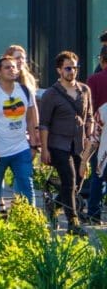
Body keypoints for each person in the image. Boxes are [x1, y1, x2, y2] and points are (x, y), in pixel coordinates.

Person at [0, 55, 40, 214]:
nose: (12, 70)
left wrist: (34, 144)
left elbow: (31, 118)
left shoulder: (24, 91)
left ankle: (29, 218)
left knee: (26, 181)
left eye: (14, 67)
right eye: (7, 67)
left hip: (20, 147)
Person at [40, 50, 95, 232]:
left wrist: (89, 132)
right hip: (58, 144)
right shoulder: (51, 94)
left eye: (75, 68)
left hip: (79, 144)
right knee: (69, 180)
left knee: (77, 183)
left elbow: (89, 116)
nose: (72, 71)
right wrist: (45, 149)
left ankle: (54, 205)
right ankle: (73, 223)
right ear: (59, 70)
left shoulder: (84, 90)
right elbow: (44, 124)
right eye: (68, 68)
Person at [86, 39, 107, 223]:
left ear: (102, 60)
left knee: (98, 174)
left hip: (99, 132)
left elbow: (88, 108)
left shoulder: (94, 80)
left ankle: (93, 213)